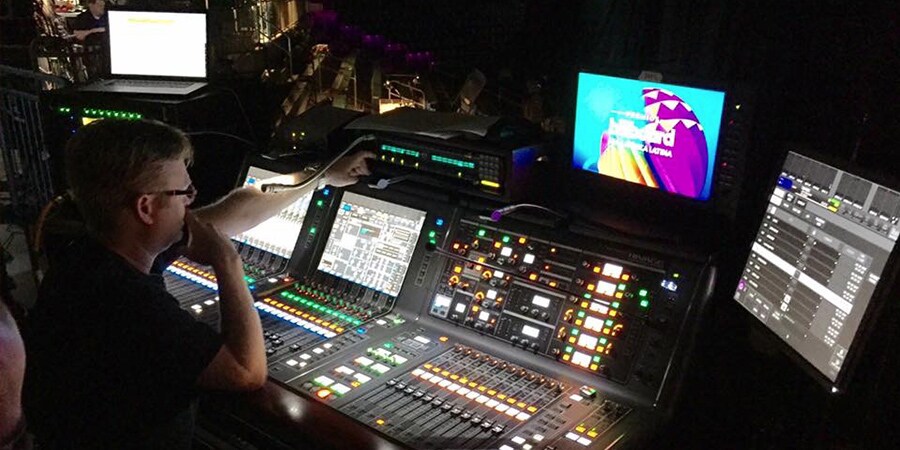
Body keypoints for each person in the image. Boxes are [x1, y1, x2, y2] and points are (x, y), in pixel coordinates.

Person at [22, 119, 372, 448]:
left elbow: (231, 214)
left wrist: (320, 177)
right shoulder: (131, 305)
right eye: (184, 192)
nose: (192, 199)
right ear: (145, 208)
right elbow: (246, 371)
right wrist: (228, 263)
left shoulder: (94, 251)